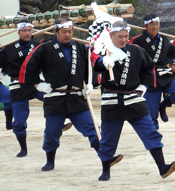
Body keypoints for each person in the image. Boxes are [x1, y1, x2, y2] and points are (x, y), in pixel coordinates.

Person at [19, 18, 122, 171]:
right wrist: (37, 85)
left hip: (76, 97)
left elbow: (89, 68)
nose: (67, 35)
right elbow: (27, 69)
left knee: (92, 128)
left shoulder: (81, 48)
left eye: (70, 31)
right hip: (55, 97)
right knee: (52, 132)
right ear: (56, 32)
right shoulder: (44, 48)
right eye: (64, 32)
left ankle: (106, 159)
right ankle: (50, 161)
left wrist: (90, 84)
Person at [90, 20, 175, 181]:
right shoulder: (104, 50)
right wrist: (103, 61)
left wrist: (144, 86)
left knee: (150, 131)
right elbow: (95, 62)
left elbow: (148, 69)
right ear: (111, 36)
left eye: (126, 36)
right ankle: (105, 170)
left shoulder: (137, 51)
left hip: (133, 97)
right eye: (119, 37)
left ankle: (162, 167)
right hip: (112, 99)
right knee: (109, 137)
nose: (123, 40)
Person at [0, 19, 45, 157]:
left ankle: (59, 123)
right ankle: (23, 148)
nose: (27, 33)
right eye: (24, 30)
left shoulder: (39, 46)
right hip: (17, 85)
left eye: (30, 30)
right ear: (18, 32)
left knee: (52, 99)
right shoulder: (8, 48)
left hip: (35, 83)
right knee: (19, 122)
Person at [129, 14, 175, 129]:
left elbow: (173, 52)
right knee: (151, 114)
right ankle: (154, 140)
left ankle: (163, 105)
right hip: (148, 77)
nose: (155, 27)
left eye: (157, 24)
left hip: (164, 74)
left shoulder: (164, 39)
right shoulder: (137, 40)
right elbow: (129, 54)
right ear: (145, 25)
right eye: (152, 24)